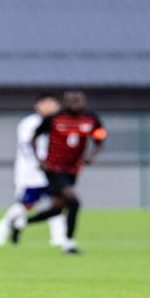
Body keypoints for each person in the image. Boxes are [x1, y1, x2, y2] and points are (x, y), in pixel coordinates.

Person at [22, 90, 105, 254]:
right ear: (66, 103)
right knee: (74, 202)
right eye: (71, 101)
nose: (75, 104)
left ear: (84, 102)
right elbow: (33, 138)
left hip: (73, 169)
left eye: (78, 101)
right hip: (54, 168)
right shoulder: (54, 118)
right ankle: (68, 243)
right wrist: (40, 160)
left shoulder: (91, 119)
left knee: (57, 209)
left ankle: (21, 223)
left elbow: (99, 138)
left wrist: (91, 155)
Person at [0, 93, 60, 247]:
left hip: (53, 173)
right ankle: (5, 225)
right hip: (31, 174)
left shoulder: (58, 123)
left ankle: (59, 237)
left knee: (58, 203)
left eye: (53, 103)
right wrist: (40, 163)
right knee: (26, 205)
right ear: (38, 105)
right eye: (47, 103)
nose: (51, 107)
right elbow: (26, 147)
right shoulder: (29, 123)